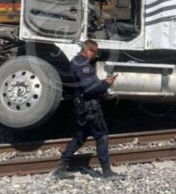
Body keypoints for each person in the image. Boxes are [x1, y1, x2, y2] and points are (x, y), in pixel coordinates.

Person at [52, 40, 124, 180]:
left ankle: (60, 167)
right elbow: (88, 89)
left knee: (80, 137)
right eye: (95, 52)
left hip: (84, 107)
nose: (95, 55)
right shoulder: (81, 64)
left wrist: (102, 85)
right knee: (101, 136)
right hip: (90, 108)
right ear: (88, 50)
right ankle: (107, 172)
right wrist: (105, 84)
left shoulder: (79, 63)